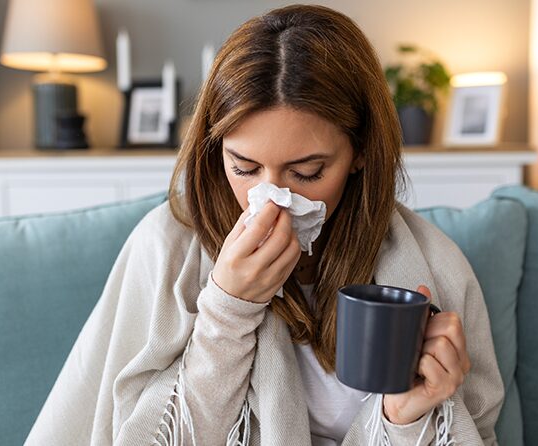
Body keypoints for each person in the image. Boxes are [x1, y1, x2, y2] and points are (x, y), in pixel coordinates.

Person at [25, 4, 504, 446]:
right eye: (244, 167)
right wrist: (227, 310)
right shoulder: (164, 247)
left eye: (307, 172)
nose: (272, 198)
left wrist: (406, 418)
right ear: (216, 151)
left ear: (360, 153)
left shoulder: (435, 268)